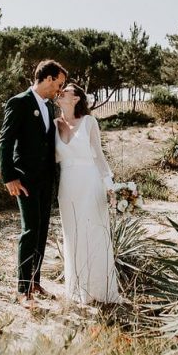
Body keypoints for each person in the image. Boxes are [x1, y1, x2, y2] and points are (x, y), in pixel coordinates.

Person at [0, 59, 67, 305]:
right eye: (59, 83)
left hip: (46, 179)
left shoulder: (49, 107)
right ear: (47, 78)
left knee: (41, 232)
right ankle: (22, 289)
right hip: (25, 179)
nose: (60, 89)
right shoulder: (19, 102)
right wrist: (9, 176)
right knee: (29, 231)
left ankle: (35, 282)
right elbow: (5, 141)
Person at [54, 83, 122, 304]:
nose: (60, 93)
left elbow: (99, 156)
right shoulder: (53, 124)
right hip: (67, 185)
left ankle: (100, 291)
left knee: (93, 231)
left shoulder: (89, 122)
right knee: (72, 234)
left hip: (90, 181)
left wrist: (109, 186)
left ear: (75, 99)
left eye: (65, 92)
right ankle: (77, 288)